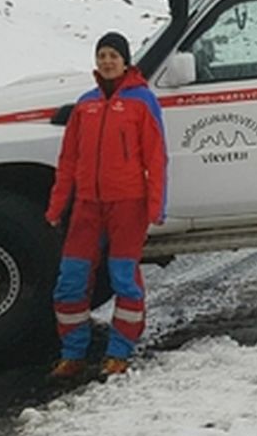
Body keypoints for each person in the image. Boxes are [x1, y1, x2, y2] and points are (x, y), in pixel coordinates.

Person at [45, 31, 167, 381]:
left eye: (114, 55)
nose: (107, 61)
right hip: (87, 206)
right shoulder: (85, 105)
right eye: (102, 55)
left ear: (126, 61)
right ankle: (73, 355)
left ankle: (118, 353)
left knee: (123, 280)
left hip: (128, 205)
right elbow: (68, 161)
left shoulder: (143, 102)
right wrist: (56, 207)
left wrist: (156, 205)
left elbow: (156, 158)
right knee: (70, 281)